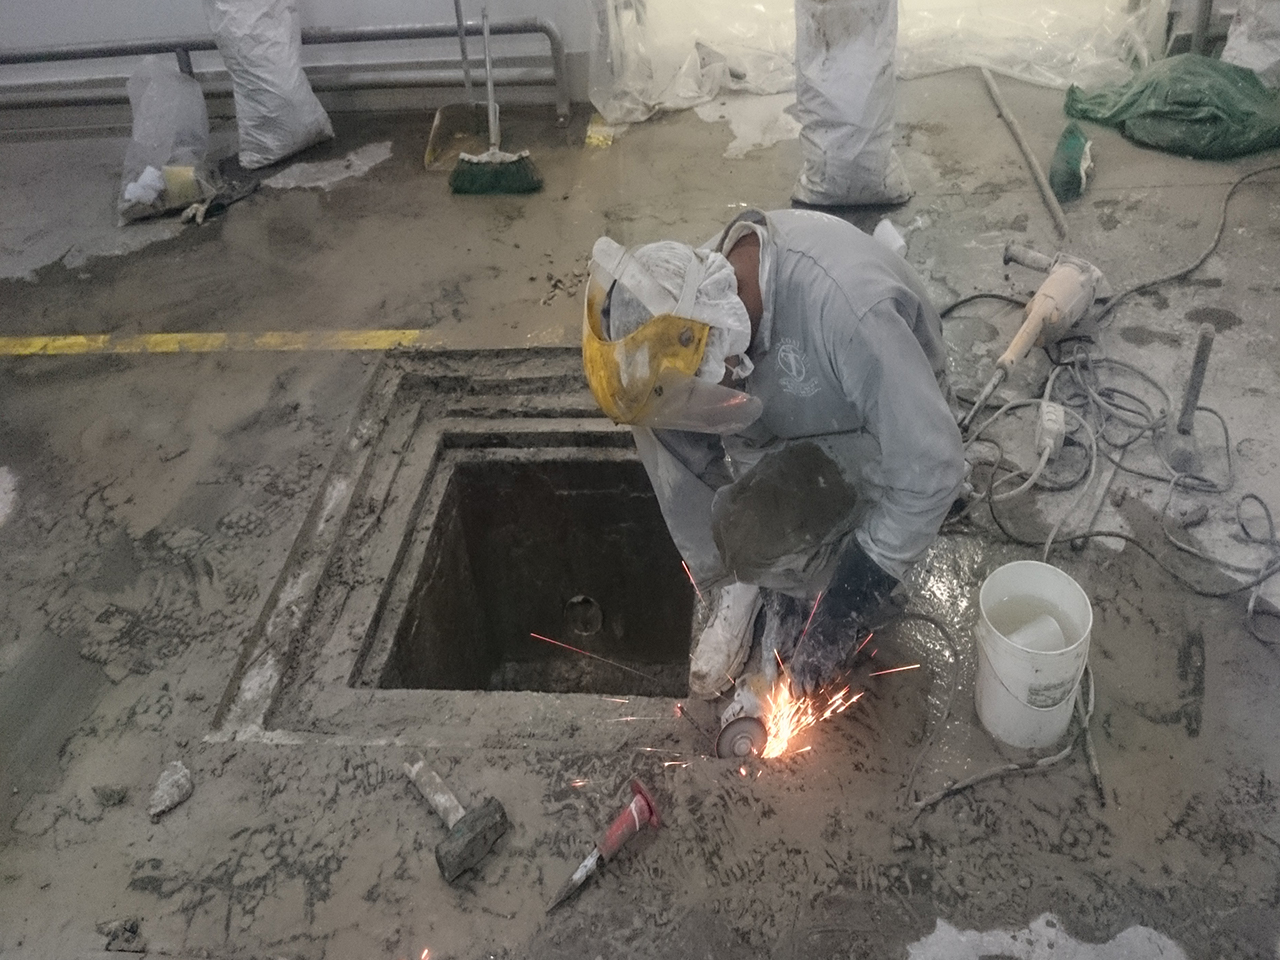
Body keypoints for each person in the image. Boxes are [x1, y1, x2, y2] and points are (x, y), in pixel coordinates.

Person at [582, 208, 966, 698]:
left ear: (720, 340)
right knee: (653, 408)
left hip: (875, 422)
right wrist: (763, 565)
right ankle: (736, 579)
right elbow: (740, 427)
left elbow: (932, 470)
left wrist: (848, 599)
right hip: (788, 408)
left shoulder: (848, 314)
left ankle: (805, 560)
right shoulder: (690, 294)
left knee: (774, 529)